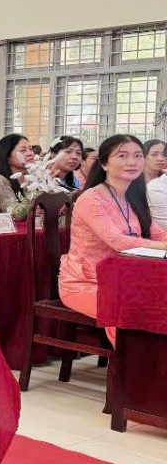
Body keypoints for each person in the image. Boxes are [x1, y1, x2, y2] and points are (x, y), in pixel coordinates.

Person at [60, 135, 167, 338]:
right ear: (104, 163)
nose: (132, 162)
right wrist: (163, 246)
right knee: (130, 309)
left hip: (126, 278)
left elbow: (156, 232)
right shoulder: (91, 199)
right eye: (123, 156)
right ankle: (134, 359)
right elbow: (118, 242)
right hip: (86, 282)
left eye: (138, 156)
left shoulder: (133, 197)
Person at [0, 134, 35, 218]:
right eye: (23, 150)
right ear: (7, 157)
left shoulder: (29, 176)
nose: (30, 153)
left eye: (30, 149)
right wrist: (38, 188)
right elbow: (16, 214)